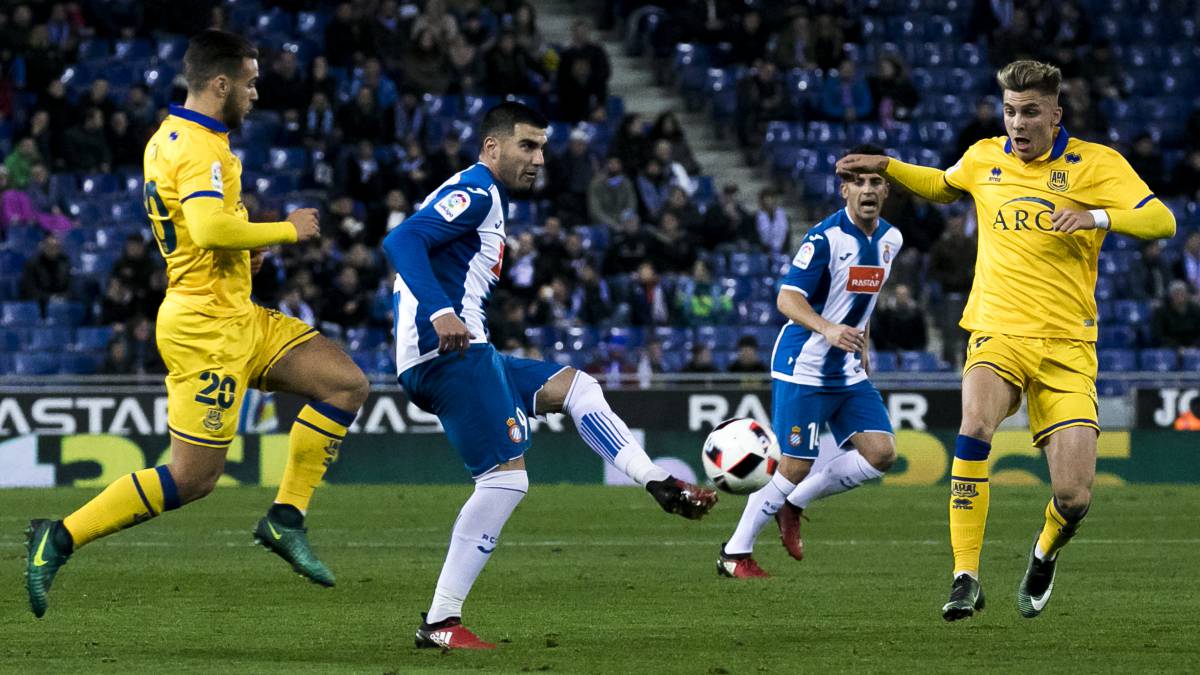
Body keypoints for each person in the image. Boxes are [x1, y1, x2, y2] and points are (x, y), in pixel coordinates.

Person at [24, 30, 371, 619]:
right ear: (220, 84)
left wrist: (246, 251)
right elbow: (209, 229)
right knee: (192, 479)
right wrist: (285, 230)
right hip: (204, 327)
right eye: (250, 82)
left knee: (345, 383)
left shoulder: (174, 137)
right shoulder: (200, 149)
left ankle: (285, 519)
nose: (256, 93)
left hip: (237, 312)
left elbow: (202, 229)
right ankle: (57, 538)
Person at [836, 60, 1176, 621]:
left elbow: (1160, 221)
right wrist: (889, 167)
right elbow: (944, 187)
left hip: (1067, 348)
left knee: (1074, 498)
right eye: (1010, 111)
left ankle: (1044, 552)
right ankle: (965, 576)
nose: (1017, 123)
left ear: (1055, 114)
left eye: (1030, 112)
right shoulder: (984, 156)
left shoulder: (1096, 164)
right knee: (973, 425)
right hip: (996, 330)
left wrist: (1095, 217)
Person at [381, 102, 716, 650]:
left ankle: (655, 478)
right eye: (526, 146)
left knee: (579, 388)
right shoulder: (478, 189)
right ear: (492, 147)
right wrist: (442, 311)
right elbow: (401, 241)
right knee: (506, 480)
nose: (538, 158)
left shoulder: (487, 195)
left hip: (469, 350)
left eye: (542, 147)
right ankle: (441, 622)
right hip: (445, 353)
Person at [718, 144, 902, 579]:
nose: (867, 189)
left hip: (848, 370)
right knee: (795, 465)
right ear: (844, 190)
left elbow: (864, 302)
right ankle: (734, 553)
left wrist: (864, 346)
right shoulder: (824, 239)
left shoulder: (891, 240)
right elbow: (786, 298)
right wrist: (828, 329)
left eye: (876, 181)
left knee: (882, 453)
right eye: (858, 181)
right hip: (804, 364)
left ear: (887, 190)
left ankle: (794, 504)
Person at [1151, 280, 1200, 348]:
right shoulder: (1160, 311)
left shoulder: (1196, 309)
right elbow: (1158, 336)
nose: (1180, 298)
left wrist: (1194, 346)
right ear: (1170, 296)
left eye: (1182, 294)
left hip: (1193, 347)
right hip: (1170, 348)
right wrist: (1176, 347)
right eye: (1176, 294)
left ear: (1187, 295)